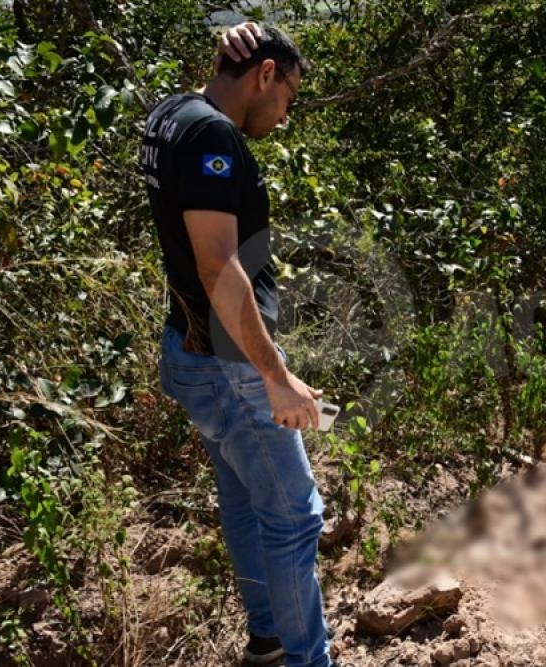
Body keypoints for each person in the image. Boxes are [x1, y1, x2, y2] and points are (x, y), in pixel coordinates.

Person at [141, 24, 335, 666]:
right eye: (288, 98)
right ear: (265, 74)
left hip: (192, 350)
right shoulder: (212, 136)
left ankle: (268, 638)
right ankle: (307, 660)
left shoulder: (171, 114)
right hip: (230, 364)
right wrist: (275, 376)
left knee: (248, 501)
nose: (285, 117)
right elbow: (218, 267)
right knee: (296, 517)